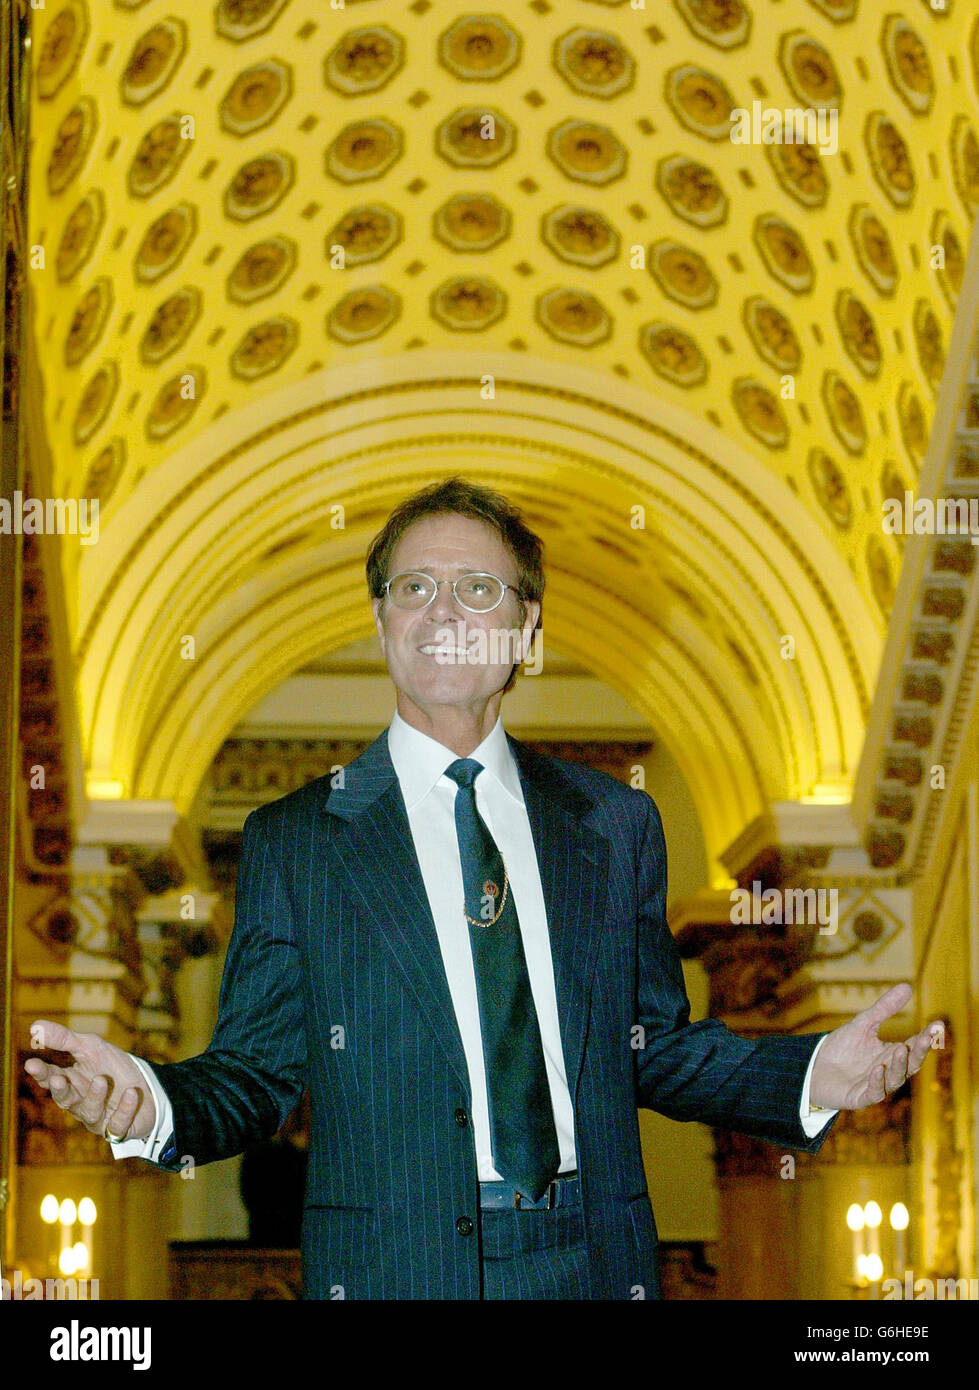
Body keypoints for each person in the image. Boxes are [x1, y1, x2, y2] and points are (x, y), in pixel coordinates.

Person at [26, 477, 942, 1300]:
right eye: (412, 589)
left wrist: (815, 1072)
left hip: (593, 1258)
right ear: (382, 623)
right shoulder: (298, 840)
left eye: (477, 589)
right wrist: (150, 1102)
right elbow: (258, 1077)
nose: (442, 612)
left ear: (526, 632)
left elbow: (651, 1044)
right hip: (392, 1271)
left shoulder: (612, 824)